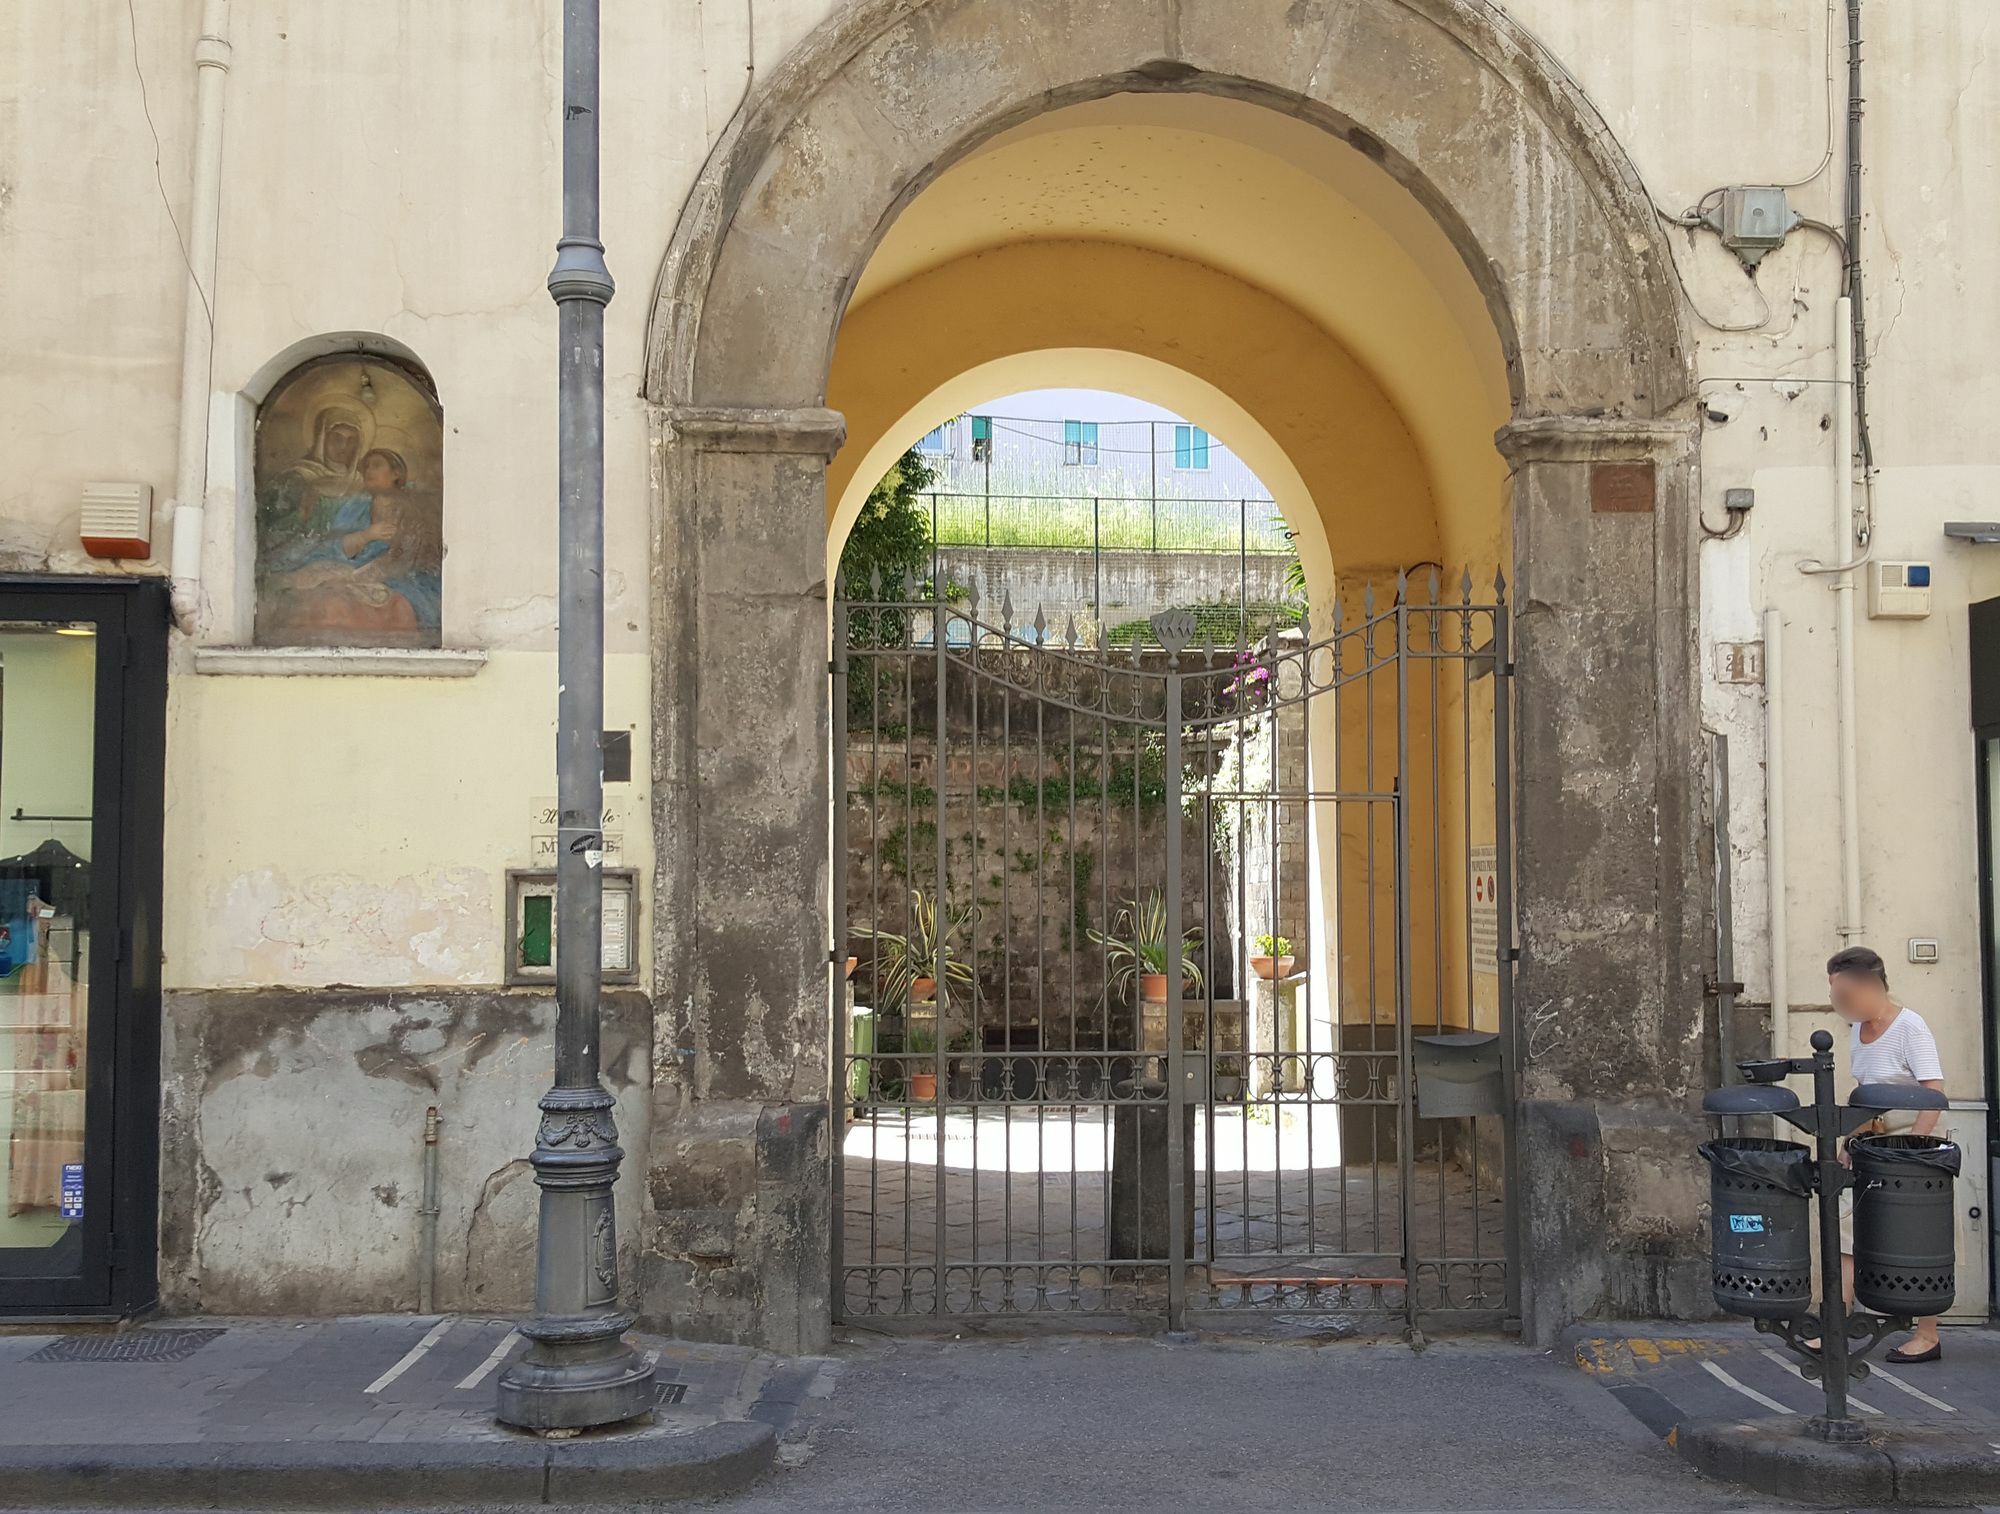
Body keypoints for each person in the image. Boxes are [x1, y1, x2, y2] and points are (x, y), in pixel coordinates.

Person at [1829, 945, 1947, 1363]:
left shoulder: (1909, 1027)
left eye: (1845, 995)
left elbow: (1933, 1093)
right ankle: (1835, 1329)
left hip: (1912, 1139)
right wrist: (1848, 1143)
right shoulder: (1855, 1030)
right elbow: (1863, 1097)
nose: (1841, 1004)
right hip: (1871, 1140)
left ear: (1871, 986)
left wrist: (1916, 1150)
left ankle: (1927, 1335)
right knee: (1847, 1231)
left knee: (1917, 1237)